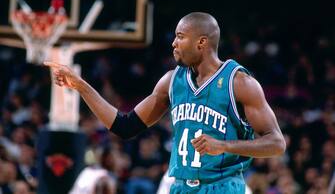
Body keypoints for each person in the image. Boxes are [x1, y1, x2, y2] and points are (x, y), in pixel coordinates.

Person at [44, 12, 286, 194]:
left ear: (201, 43)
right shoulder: (171, 81)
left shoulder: (239, 83)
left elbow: (276, 143)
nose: (173, 43)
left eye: (180, 37)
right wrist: (81, 86)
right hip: (180, 187)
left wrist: (224, 146)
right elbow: (124, 126)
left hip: (222, 186)